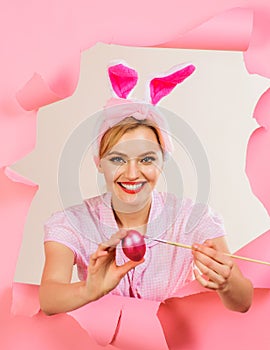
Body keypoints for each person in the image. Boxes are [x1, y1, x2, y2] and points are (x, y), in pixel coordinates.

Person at [39, 63, 253, 315]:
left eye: (146, 159)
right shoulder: (71, 223)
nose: (132, 174)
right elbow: (49, 299)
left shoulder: (192, 219)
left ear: (163, 162)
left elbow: (243, 302)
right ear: (100, 163)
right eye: (117, 159)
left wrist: (227, 283)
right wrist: (88, 290)